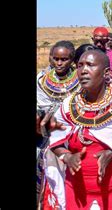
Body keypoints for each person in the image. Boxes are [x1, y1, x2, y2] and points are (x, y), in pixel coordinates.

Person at [42, 49, 112, 209]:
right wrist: (67, 157)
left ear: (106, 72)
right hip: (76, 192)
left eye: (90, 65)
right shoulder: (68, 105)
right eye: (80, 66)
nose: (83, 71)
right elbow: (55, 138)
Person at [36, 41, 79, 204]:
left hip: (73, 137)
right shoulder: (41, 81)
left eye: (64, 59)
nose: (59, 63)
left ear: (72, 60)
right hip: (46, 137)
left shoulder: (81, 79)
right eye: (56, 59)